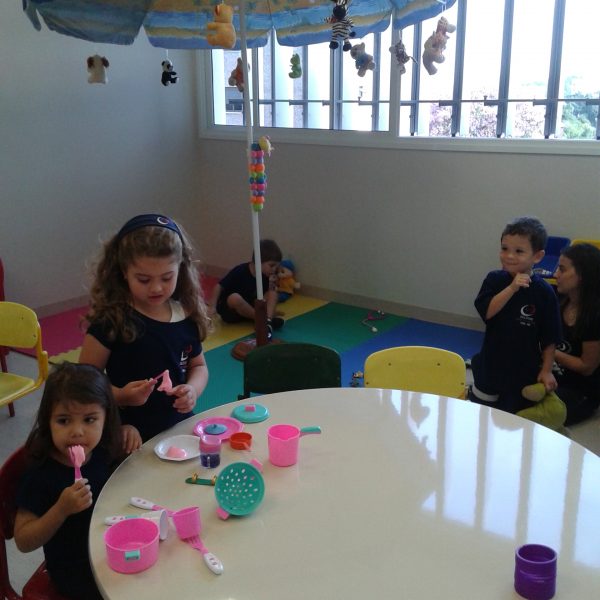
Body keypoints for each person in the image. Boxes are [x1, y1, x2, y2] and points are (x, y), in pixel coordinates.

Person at [79, 213, 210, 442]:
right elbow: (83, 382)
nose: (156, 288)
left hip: (177, 427)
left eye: (166, 278)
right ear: (124, 272)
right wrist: (121, 396)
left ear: (180, 269)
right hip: (127, 432)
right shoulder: (111, 319)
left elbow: (198, 366)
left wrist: (192, 390)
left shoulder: (185, 315)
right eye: (143, 279)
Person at [14, 362, 123, 600]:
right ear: (47, 421)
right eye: (64, 421)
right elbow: (23, 540)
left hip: (107, 548)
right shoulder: (40, 474)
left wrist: (131, 430)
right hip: (74, 570)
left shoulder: (102, 451)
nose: (77, 431)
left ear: (106, 418)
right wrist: (61, 509)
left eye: (89, 419)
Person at [469, 216, 562, 414]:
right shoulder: (494, 279)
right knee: (480, 412)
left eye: (519, 251)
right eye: (504, 248)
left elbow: (550, 338)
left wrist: (546, 370)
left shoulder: (545, 292)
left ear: (537, 256)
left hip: (522, 371)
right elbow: (488, 312)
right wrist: (512, 288)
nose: (509, 256)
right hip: (489, 365)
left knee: (512, 418)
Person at [553, 243, 600, 425]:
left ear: (581, 276)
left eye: (562, 269)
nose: (556, 274)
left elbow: (587, 366)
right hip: (554, 376)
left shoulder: (594, 316)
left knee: (538, 410)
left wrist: (549, 351)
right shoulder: (561, 300)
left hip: (580, 391)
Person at [208, 238, 284, 332]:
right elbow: (218, 286)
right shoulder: (240, 271)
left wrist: (272, 285)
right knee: (234, 298)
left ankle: (267, 321)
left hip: (251, 309)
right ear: (258, 261)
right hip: (232, 312)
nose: (274, 269)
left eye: (276, 267)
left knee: (273, 293)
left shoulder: (266, 275)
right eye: (271, 265)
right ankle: (263, 320)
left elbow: (268, 296)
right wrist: (212, 306)